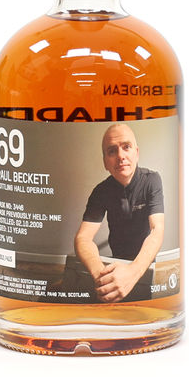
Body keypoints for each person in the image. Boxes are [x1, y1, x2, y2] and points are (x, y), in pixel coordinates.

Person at [74, 124, 164, 303]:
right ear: (105, 162)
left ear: (136, 153)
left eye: (126, 147)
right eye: (112, 151)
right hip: (113, 265)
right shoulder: (100, 191)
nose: (121, 156)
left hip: (145, 266)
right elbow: (83, 238)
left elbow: (157, 230)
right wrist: (101, 276)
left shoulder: (152, 180)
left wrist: (133, 272)